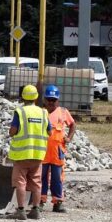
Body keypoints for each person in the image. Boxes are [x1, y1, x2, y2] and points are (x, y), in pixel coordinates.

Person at [8, 85, 51, 220]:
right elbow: (50, 132)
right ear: (36, 97)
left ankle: (21, 211)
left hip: (22, 155)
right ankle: (35, 210)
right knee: (36, 183)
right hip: (37, 155)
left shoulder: (20, 112)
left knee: (20, 183)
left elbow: (13, 131)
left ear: (23, 97)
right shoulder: (43, 113)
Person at [41, 85, 76, 213]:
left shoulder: (63, 112)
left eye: (53, 100)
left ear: (58, 100)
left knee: (57, 178)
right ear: (45, 99)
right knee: (41, 177)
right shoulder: (41, 112)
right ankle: (40, 201)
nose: (51, 102)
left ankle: (58, 203)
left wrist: (69, 138)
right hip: (43, 151)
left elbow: (72, 125)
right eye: (49, 99)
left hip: (57, 151)